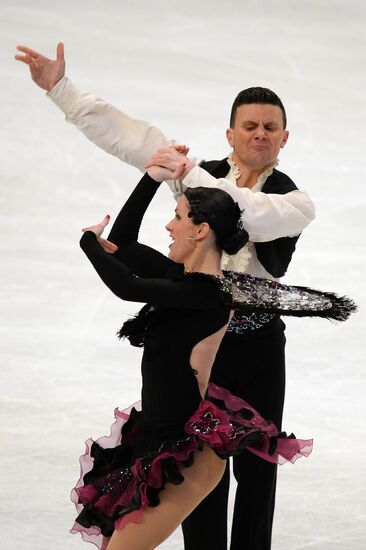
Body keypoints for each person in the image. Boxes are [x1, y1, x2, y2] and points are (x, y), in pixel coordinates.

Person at [15, 43, 316, 550]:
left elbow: (249, 213)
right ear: (231, 134)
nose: (260, 134)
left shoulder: (293, 201)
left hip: (258, 349)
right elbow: (133, 139)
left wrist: (186, 170)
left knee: (258, 476)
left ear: (285, 137)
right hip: (203, 341)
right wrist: (63, 91)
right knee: (195, 469)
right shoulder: (197, 177)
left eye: (270, 127)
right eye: (250, 125)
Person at [73, 153, 353, 550]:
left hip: (183, 458)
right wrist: (151, 178)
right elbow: (124, 245)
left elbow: (126, 286)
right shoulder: (182, 277)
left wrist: (88, 244)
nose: (169, 226)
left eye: (178, 217)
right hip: (155, 442)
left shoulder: (207, 296)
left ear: (201, 230)